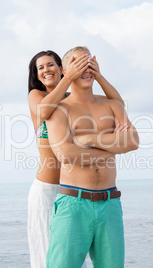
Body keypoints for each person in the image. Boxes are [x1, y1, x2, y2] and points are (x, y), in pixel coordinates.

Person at [27, 50, 125, 268]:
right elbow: (44, 111)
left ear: (59, 68)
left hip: (72, 188)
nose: (46, 70)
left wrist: (97, 76)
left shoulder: (72, 100)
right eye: (40, 67)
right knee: (46, 258)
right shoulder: (38, 96)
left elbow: (117, 102)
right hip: (47, 188)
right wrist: (110, 151)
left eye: (50, 65)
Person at [45, 46, 139, 268]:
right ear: (66, 70)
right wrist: (112, 146)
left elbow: (132, 141)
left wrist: (89, 139)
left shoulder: (112, 105)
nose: (86, 70)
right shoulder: (57, 109)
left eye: (90, 64)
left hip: (110, 202)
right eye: (79, 64)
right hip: (73, 203)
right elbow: (66, 154)